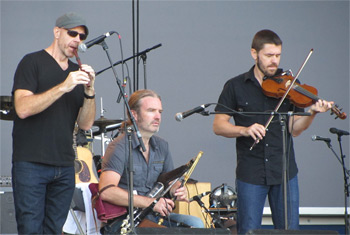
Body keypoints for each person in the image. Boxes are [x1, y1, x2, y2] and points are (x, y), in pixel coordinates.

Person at [212, 29, 333, 234]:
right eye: (269, 56)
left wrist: (312, 113)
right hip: (250, 172)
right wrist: (244, 129)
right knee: (248, 230)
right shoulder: (235, 86)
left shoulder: (290, 86)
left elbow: (295, 129)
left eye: (277, 55)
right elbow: (218, 125)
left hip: (285, 171)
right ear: (254, 53)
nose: (274, 61)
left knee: (289, 230)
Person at [11, 12, 96, 234]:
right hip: (32, 163)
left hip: (64, 165)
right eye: (72, 33)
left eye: (82, 36)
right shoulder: (32, 62)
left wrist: (90, 92)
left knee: (54, 230)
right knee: (30, 228)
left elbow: (86, 124)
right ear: (57, 32)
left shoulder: (76, 72)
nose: (78, 40)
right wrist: (63, 87)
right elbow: (22, 108)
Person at [98, 89, 204, 231]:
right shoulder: (119, 146)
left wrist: (176, 189)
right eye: (151, 110)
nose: (157, 116)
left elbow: (169, 180)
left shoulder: (162, 146)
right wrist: (152, 202)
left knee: (197, 224)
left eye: (160, 112)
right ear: (134, 114)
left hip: (153, 215)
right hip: (126, 220)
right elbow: (107, 191)